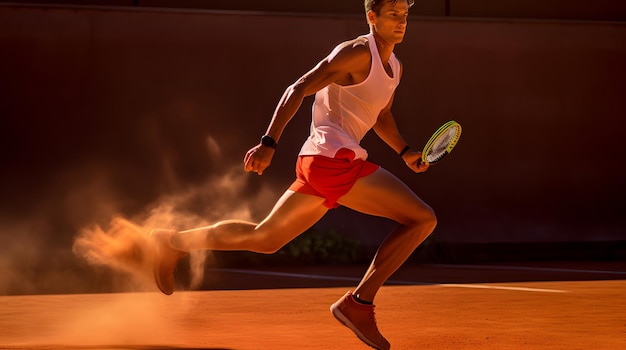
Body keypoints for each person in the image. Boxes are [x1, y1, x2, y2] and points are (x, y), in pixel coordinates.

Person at [151, 0, 436, 349]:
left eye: (405, 14)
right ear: (371, 17)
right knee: (421, 219)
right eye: (393, 13)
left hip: (322, 162)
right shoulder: (357, 53)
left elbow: (380, 115)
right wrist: (269, 143)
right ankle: (358, 303)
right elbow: (298, 87)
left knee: (264, 239)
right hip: (334, 159)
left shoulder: (395, 66)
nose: (402, 20)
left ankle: (170, 242)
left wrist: (406, 152)